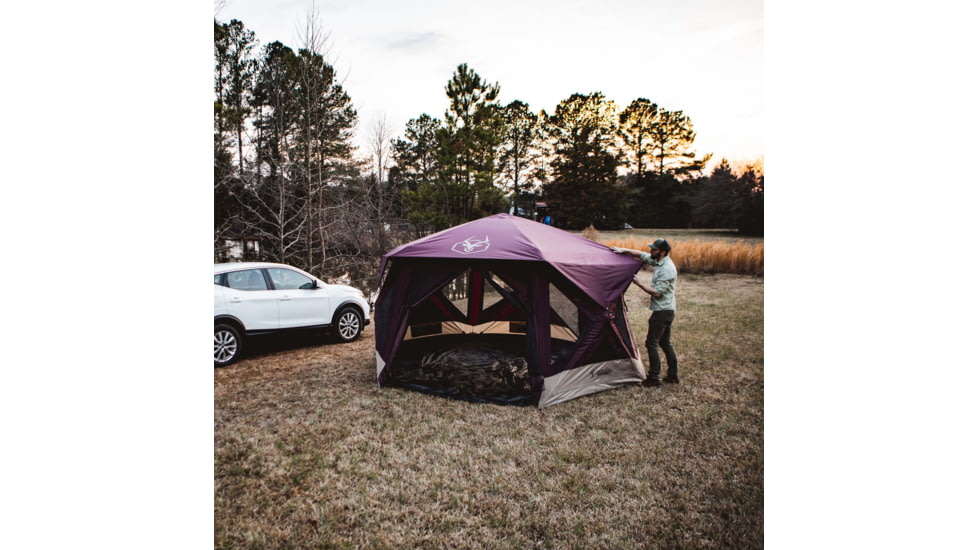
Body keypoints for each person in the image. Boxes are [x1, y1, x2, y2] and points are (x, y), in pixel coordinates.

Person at [611, 239, 679, 387]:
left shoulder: (667, 268)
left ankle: (654, 378)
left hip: (662, 312)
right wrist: (624, 250)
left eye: (654, 250)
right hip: (667, 310)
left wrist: (638, 282)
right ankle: (672, 375)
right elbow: (642, 255)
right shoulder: (660, 261)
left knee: (651, 343)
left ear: (662, 252)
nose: (651, 251)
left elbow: (657, 293)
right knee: (665, 343)